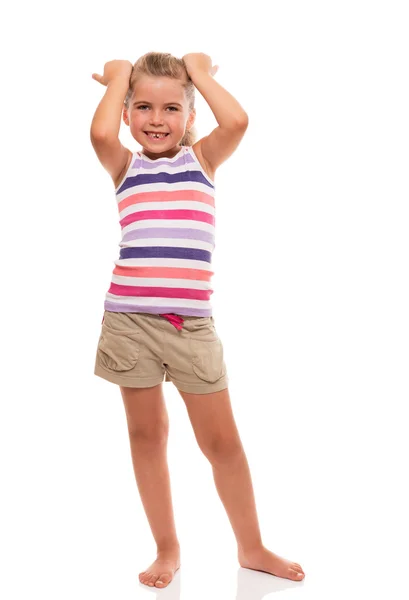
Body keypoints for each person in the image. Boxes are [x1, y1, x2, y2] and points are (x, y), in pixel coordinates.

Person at [90, 51, 305, 589]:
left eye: (170, 108)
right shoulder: (126, 167)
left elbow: (238, 121)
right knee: (147, 436)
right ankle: (167, 548)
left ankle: (251, 546)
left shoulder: (202, 160)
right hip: (128, 322)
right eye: (142, 107)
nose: (156, 119)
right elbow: (99, 135)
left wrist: (199, 72)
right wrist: (119, 78)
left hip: (192, 328)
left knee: (222, 444)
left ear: (190, 117)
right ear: (126, 113)